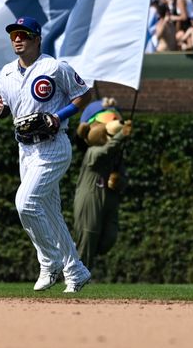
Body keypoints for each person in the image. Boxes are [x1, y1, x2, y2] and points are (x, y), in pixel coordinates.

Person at [0, 16, 92, 292]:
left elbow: (83, 95)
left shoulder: (55, 67)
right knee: (51, 213)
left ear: (37, 38)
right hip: (25, 149)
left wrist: (59, 117)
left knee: (25, 203)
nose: (17, 39)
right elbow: (7, 108)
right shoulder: (6, 73)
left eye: (23, 34)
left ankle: (49, 262)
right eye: (13, 35)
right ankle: (76, 271)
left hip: (53, 146)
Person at [73, 98, 131, 271]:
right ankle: (78, 276)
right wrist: (121, 135)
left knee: (108, 238)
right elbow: (105, 150)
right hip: (91, 196)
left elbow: (124, 176)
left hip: (109, 199)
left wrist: (120, 181)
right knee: (88, 235)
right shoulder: (92, 152)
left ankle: (79, 263)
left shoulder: (116, 157)